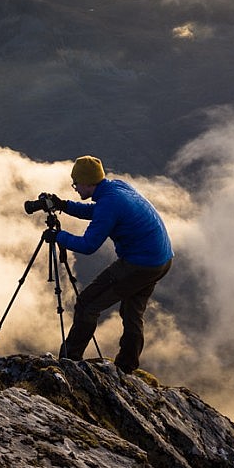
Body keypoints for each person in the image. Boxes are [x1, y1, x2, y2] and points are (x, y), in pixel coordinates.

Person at [44, 155, 173, 374]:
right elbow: (96, 211)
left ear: (87, 183)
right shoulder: (116, 188)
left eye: (76, 183)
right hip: (161, 260)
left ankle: (70, 363)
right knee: (132, 312)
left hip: (139, 264)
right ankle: (126, 367)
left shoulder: (109, 203)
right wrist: (64, 205)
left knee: (88, 303)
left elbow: (88, 245)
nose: (74, 187)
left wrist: (58, 237)